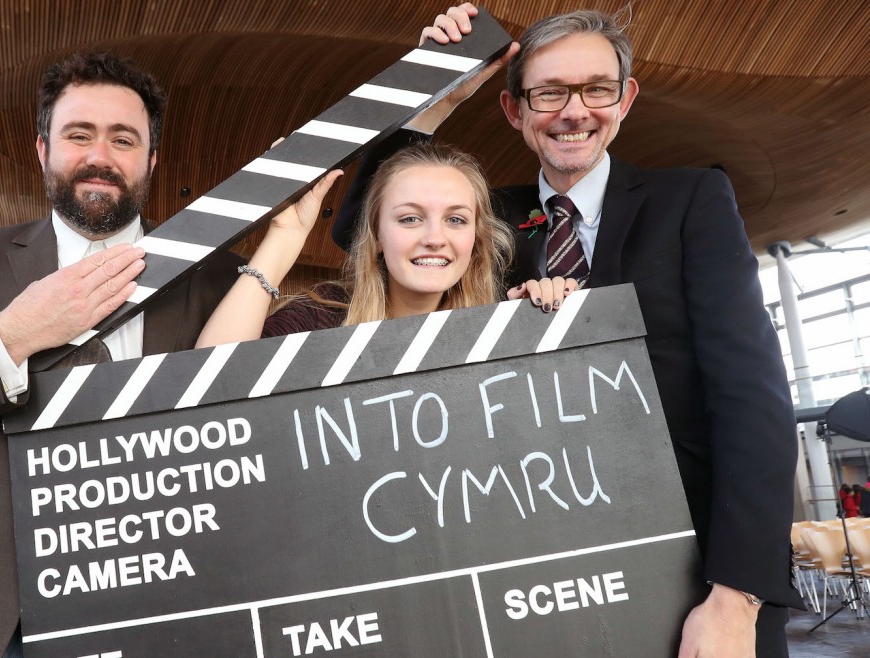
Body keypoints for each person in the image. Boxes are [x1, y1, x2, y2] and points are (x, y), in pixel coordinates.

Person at [332, 5, 801, 656]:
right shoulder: (486, 217)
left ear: (625, 98)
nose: (573, 111)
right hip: (537, 577)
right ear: (513, 109)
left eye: (596, 89)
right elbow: (361, 226)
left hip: (695, 577)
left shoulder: (692, 200)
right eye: (548, 92)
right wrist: (436, 90)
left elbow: (753, 401)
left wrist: (736, 597)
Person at [0, 52, 241, 657]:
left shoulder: (216, 278)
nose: (100, 157)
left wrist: (436, 78)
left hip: (172, 605)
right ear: (42, 150)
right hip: (4, 620)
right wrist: (12, 335)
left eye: (123, 139)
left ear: (152, 160)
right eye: (78, 135)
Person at [196, 143, 516, 346]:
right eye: (409, 219)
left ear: (476, 239)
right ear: (376, 236)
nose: (434, 238)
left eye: (456, 220)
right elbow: (211, 379)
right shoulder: (321, 318)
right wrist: (285, 234)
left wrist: (556, 314)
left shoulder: (500, 335)